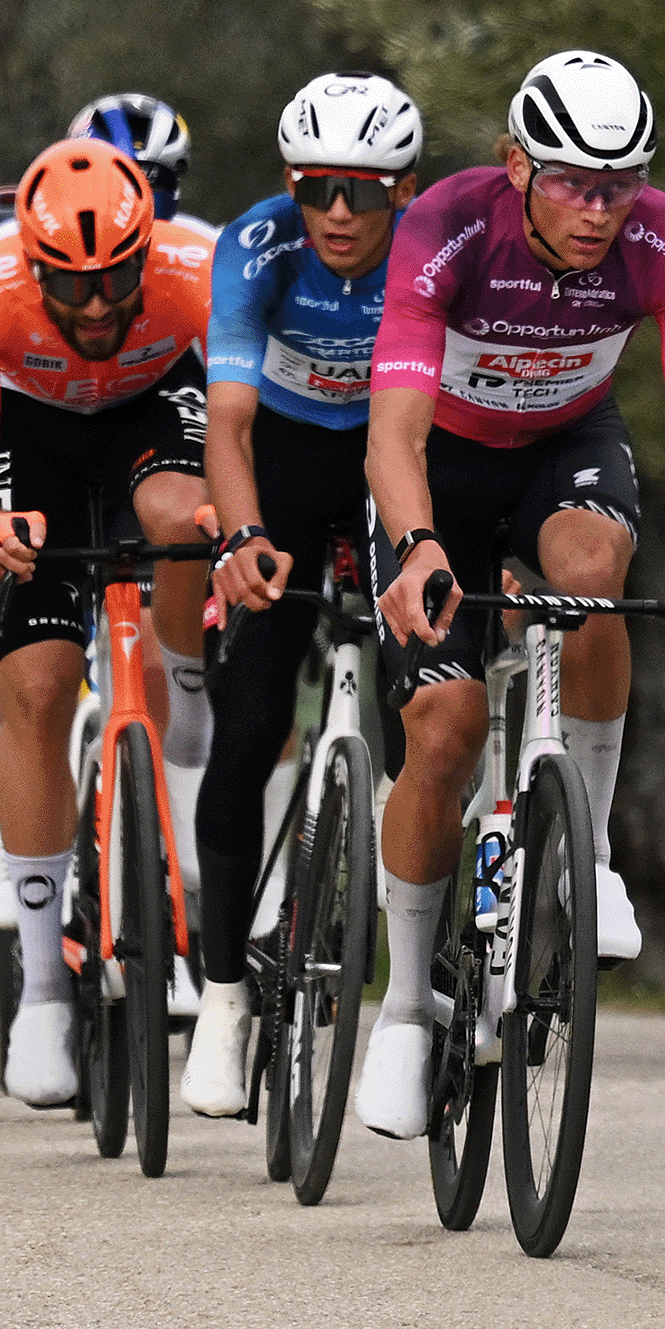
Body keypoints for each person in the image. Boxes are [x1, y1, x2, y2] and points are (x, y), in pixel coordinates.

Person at [354, 48, 665, 1141]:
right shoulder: (445, 226)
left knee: (591, 578)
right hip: (438, 469)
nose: (597, 209)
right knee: (443, 725)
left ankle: (594, 855)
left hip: (562, 449)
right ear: (515, 163)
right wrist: (419, 543)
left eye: (619, 186)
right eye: (572, 182)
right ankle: (400, 1008)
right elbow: (392, 430)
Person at [0, 138, 219, 1110]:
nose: (97, 308)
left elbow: (243, 432)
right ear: (31, 263)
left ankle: (184, 695)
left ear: (151, 249)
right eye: (71, 286)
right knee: (41, 686)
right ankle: (42, 991)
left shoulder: (197, 270)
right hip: (33, 438)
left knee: (184, 521)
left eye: (115, 282)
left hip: (151, 415)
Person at [185, 69, 422, 1119]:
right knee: (249, 720)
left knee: (427, 700)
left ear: (403, 191)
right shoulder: (257, 245)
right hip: (278, 459)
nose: (338, 212)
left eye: (364, 193)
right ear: (292, 181)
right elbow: (226, 421)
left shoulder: (432, 256)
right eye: (319, 187)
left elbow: (442, 424)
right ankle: (223, 999)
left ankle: (417, 956)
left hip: (388, 457)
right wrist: (238, 536)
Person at [70, 91, 217, 261]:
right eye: (113, 187)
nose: (131, 211)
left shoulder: (208, 245)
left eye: (150, 188)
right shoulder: (38, 245)